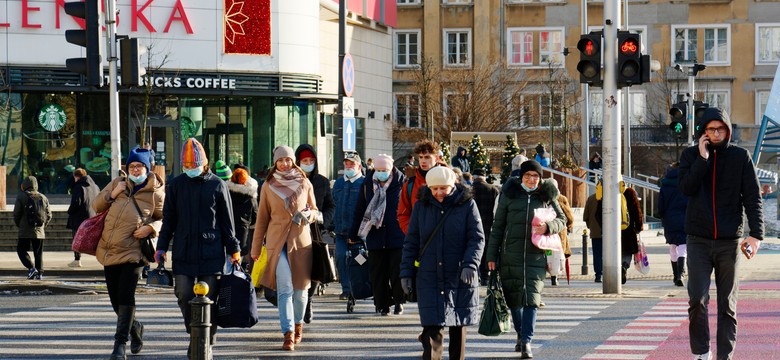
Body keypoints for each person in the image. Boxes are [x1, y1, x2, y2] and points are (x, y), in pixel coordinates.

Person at [678, 107, 763, 360]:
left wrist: (756, 235)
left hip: (729, 242)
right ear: (702, 132)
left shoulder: (740, 157)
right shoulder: (690, 156)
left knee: (727, 305)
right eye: (711, 129)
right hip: (698, 241)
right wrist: (702, 160)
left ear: (728, 130)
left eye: (721, 129)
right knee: (697, 300)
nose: (716, 134)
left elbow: (752, 197)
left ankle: (725, 357)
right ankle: (702, 353)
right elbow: (685, 188)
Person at [155, 138, 241, 356]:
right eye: (187, 166)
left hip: (211, 252)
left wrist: (234, 250)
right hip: (184, 251)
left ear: (204, 163)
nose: (191, 169)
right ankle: (195, 334)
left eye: (194, 165)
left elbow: (227, 222)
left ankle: (206, 342)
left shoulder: (217, 185)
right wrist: (161, 247)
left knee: (209, 300)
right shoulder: (176, 185)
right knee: (184, 294)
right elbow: (169, 220)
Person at [400, 166, 484, 360]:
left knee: (457, 326)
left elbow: (477, 238)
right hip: (429, 275)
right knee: (431, 329)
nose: (439, 193)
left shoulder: (467, 204)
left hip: (458, 273)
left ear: (452, 184)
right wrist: (405, 273)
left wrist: (470, 264)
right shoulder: (422, 206)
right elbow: (412, 241)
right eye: (434, 189)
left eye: (443, 188)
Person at [486, 160, 566, 358]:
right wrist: (491, 256)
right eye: (528, 176)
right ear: (521, 177)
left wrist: (548, 227)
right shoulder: (509, 195)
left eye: (535, 176)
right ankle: (520, 334)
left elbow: (562, 219)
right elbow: (497, 227)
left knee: (532, 299)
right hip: (509, 255)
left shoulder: (546, 195)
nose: (531, 180)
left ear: (540, 179)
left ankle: (527, 341)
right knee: (514, 299)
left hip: (536, 255)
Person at [93, 147, 164, 359]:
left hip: (134, 252)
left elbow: (166, 219)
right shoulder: (117, 184)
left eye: (139, 166)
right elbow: (96, 205)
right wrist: (112, 194)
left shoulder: (156, 193)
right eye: (131, 166)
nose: (134, 170)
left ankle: (119, 344)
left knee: (125, 295)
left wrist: (151, 229)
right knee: (115, 299)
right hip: (109, 248)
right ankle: (135, 327)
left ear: (147, 168)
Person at [251, 145, 318, 351]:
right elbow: (261, 219)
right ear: (275, 163)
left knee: (301, 291)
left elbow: (315, 210)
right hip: (276, 243)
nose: (284, 163)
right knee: (285, 288)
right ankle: (288, 333)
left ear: (293, 161)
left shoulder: (304, 182)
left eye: (288, 160)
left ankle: (298, 325)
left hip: (300, 243)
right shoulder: (268, 186)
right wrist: (255, 249)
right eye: (280, 160)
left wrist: (308, 215)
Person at [350, 154, 406, 315]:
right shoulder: (368, 184)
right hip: (375, 234)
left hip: (397, 235)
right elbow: (360, 209)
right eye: (379, 169)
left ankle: (398, 301)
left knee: (396, 272)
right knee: (378, 273)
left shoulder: (401, 183)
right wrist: (353, 233)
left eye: (385, 170)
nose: (381, 173)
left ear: (391, 169)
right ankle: (382, 304)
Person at [295, 144, 335, 324]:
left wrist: (322, 220)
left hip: (314, 231)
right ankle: (298, 301)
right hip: (294, 231)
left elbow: (330, 205)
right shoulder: (291, 180)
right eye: (304, 161)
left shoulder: (322, 182)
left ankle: (308, 299)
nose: (308, 163)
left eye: (311, 161)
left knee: (315, 268)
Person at [331, 151, 364, 299]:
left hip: (358, 233)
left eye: (352, 164)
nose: (349, 166)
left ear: (359, 166)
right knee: (340, 258)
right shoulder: (338, 183)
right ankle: (346, 289)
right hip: (341, 231)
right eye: (347, 163)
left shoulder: (363, 183)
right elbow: (333, 204)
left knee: (360, 260)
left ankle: (360, 287)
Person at [14, 176, 52, 280]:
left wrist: (19, 224)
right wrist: (43, 225)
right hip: (39, 230)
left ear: (24, 185)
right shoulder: (43, 197)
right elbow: (49, 215)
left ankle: (31, 268)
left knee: (21, 249)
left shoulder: (21, 196)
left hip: (25, 230)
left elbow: (16, 213)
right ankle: (39, 273)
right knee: (38, 253)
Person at [398, 139, 440, 234]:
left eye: (427, 157)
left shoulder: (449, 180)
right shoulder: (410, 184)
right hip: (419, 240)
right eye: (421, 157)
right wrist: (412, 232)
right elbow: (403, 214)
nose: (423, 161)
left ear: (436, 158)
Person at [657, 162, 688, 287]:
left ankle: (675, 275)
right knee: (683, 246)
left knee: (673, 246)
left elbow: (661, 205)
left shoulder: (665, 185)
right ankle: (681, 274)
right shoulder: (686, 184)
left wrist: (662, 215)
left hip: (669, 219)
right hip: (684, 218)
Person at [470, 168, 500, 284]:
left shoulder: (469, 190)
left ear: (474, 177)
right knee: (487, 248)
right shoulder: (493, 189)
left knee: (474, 248)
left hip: (473, 224)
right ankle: (485, 275)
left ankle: (475, 272)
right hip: (488, 223)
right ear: (484, 176)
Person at [66, 168, 100, 267]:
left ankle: (77, 259)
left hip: (79, 217)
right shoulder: (95, 187)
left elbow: (76, 202)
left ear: (76, 177)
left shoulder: (78, 187)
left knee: (76, 238)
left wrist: (70, 211)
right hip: (93, 216)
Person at [227, 167, 259, 269]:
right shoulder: (250, 197)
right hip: (243, 233)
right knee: (237, 262)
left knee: (226, 261)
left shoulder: (226, 193)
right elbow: (255, 217)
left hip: (227, 231)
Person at [547, 194, 574, 286]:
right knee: (557, 254)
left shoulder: (541, 197)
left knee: (548, 253)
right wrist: (569, 227)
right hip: (559, 232)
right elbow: (569, 216)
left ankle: (548, 274)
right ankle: (554, 277)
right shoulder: (562, 199)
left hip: (546, 232)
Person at [620, 185, 643, 284]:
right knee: (627, 252)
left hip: (616, 230)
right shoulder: (632, 198)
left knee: (618, 251)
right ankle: (624, 266)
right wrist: (638, 228)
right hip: (629, 231)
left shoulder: (616, 198)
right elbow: (638, 214)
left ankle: (618, 267)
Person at [583, 192, 603, 282]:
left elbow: (585, 216)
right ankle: (611, 273)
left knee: (597, 254)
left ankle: (598, 274)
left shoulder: (591, 198)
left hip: (595, 231)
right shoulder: (612, 197)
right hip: (611, 232)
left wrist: (591, 226)